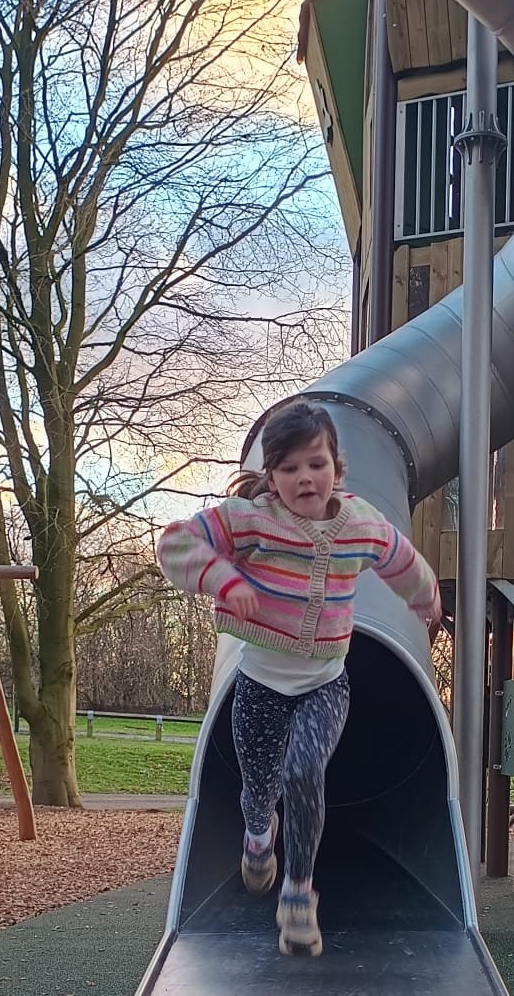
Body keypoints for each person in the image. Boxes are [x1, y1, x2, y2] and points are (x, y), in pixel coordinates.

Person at [158, 399, 441, 957]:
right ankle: (259, 839)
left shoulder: (359, 522)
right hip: (259, 685)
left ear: (337, 465)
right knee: (258, 789)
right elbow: (175, 544)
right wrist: (220, 578)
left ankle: (298, 893)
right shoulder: (249, 520)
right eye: (287, 468)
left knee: (306, 770)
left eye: (315, 463)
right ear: (271, 476)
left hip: (325, 684)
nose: (303, 478)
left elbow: (400, 557)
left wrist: (425, 596)